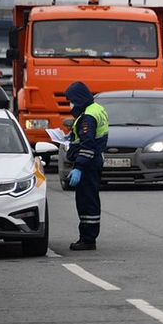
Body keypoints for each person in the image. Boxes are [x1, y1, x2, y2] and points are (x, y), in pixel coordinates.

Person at [65, 81, 109, 251]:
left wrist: (79, 168)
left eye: (71, 100)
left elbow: (88, 145)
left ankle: (88, 239)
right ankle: (88, 237)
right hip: (94, 160)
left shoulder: (88, 117)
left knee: (86, 202)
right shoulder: (96, 109)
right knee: (90, 199)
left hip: (88, 164)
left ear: (78, 99)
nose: (71, 104)